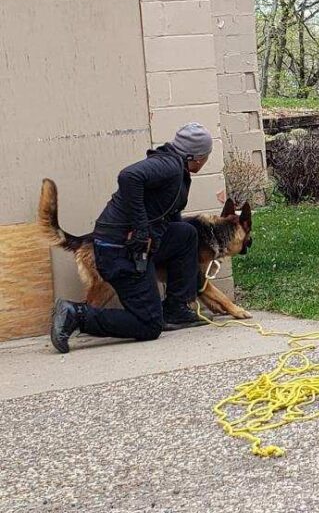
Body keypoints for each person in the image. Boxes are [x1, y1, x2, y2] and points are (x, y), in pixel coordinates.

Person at [50, 123, 214, 353]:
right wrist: (141, 230)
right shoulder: (168, 166)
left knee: (186, 234)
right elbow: (129, 176)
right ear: (195, 157)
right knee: (149, 325)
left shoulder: (176, 168)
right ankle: (77, 315)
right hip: (119, 249)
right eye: (206, 156)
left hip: (128, 244)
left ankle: (176, 309)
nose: (206, 160)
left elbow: (167, 211)